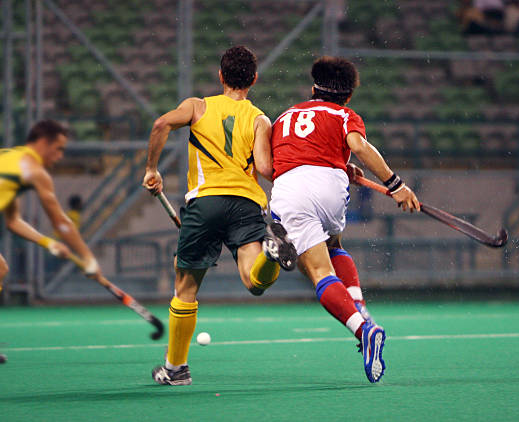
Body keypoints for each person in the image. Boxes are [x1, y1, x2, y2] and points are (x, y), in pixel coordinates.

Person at [142, 46, 297, 386]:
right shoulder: (260, 119)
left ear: (220, 76)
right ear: (254, 80)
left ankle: (176, 369)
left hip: (206, 202)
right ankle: (272, 255)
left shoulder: (198, 106)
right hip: (246, 203)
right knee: (254, 281)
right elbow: (267, 168)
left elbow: (161, 124)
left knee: (185, 288)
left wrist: (152, 169)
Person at [269, 56, 420, 383]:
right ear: (348, 96)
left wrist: (334, 162)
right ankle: (359, 305)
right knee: (334, 243)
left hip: (290, 189)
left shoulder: (284, 116)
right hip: (330, 188)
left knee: (319, 271)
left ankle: (363, 329)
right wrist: (395, 184)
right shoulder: (345, 114)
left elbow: (279, 159)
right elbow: (357, 145)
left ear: (312, 88)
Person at [0, 119, 102, 364]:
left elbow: (13, 221)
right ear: (44, 143)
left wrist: (49, 244)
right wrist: (89, 259)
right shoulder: (34, 171)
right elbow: (61, 222)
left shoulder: (9, 158)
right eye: (58, 149)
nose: (60, 156)